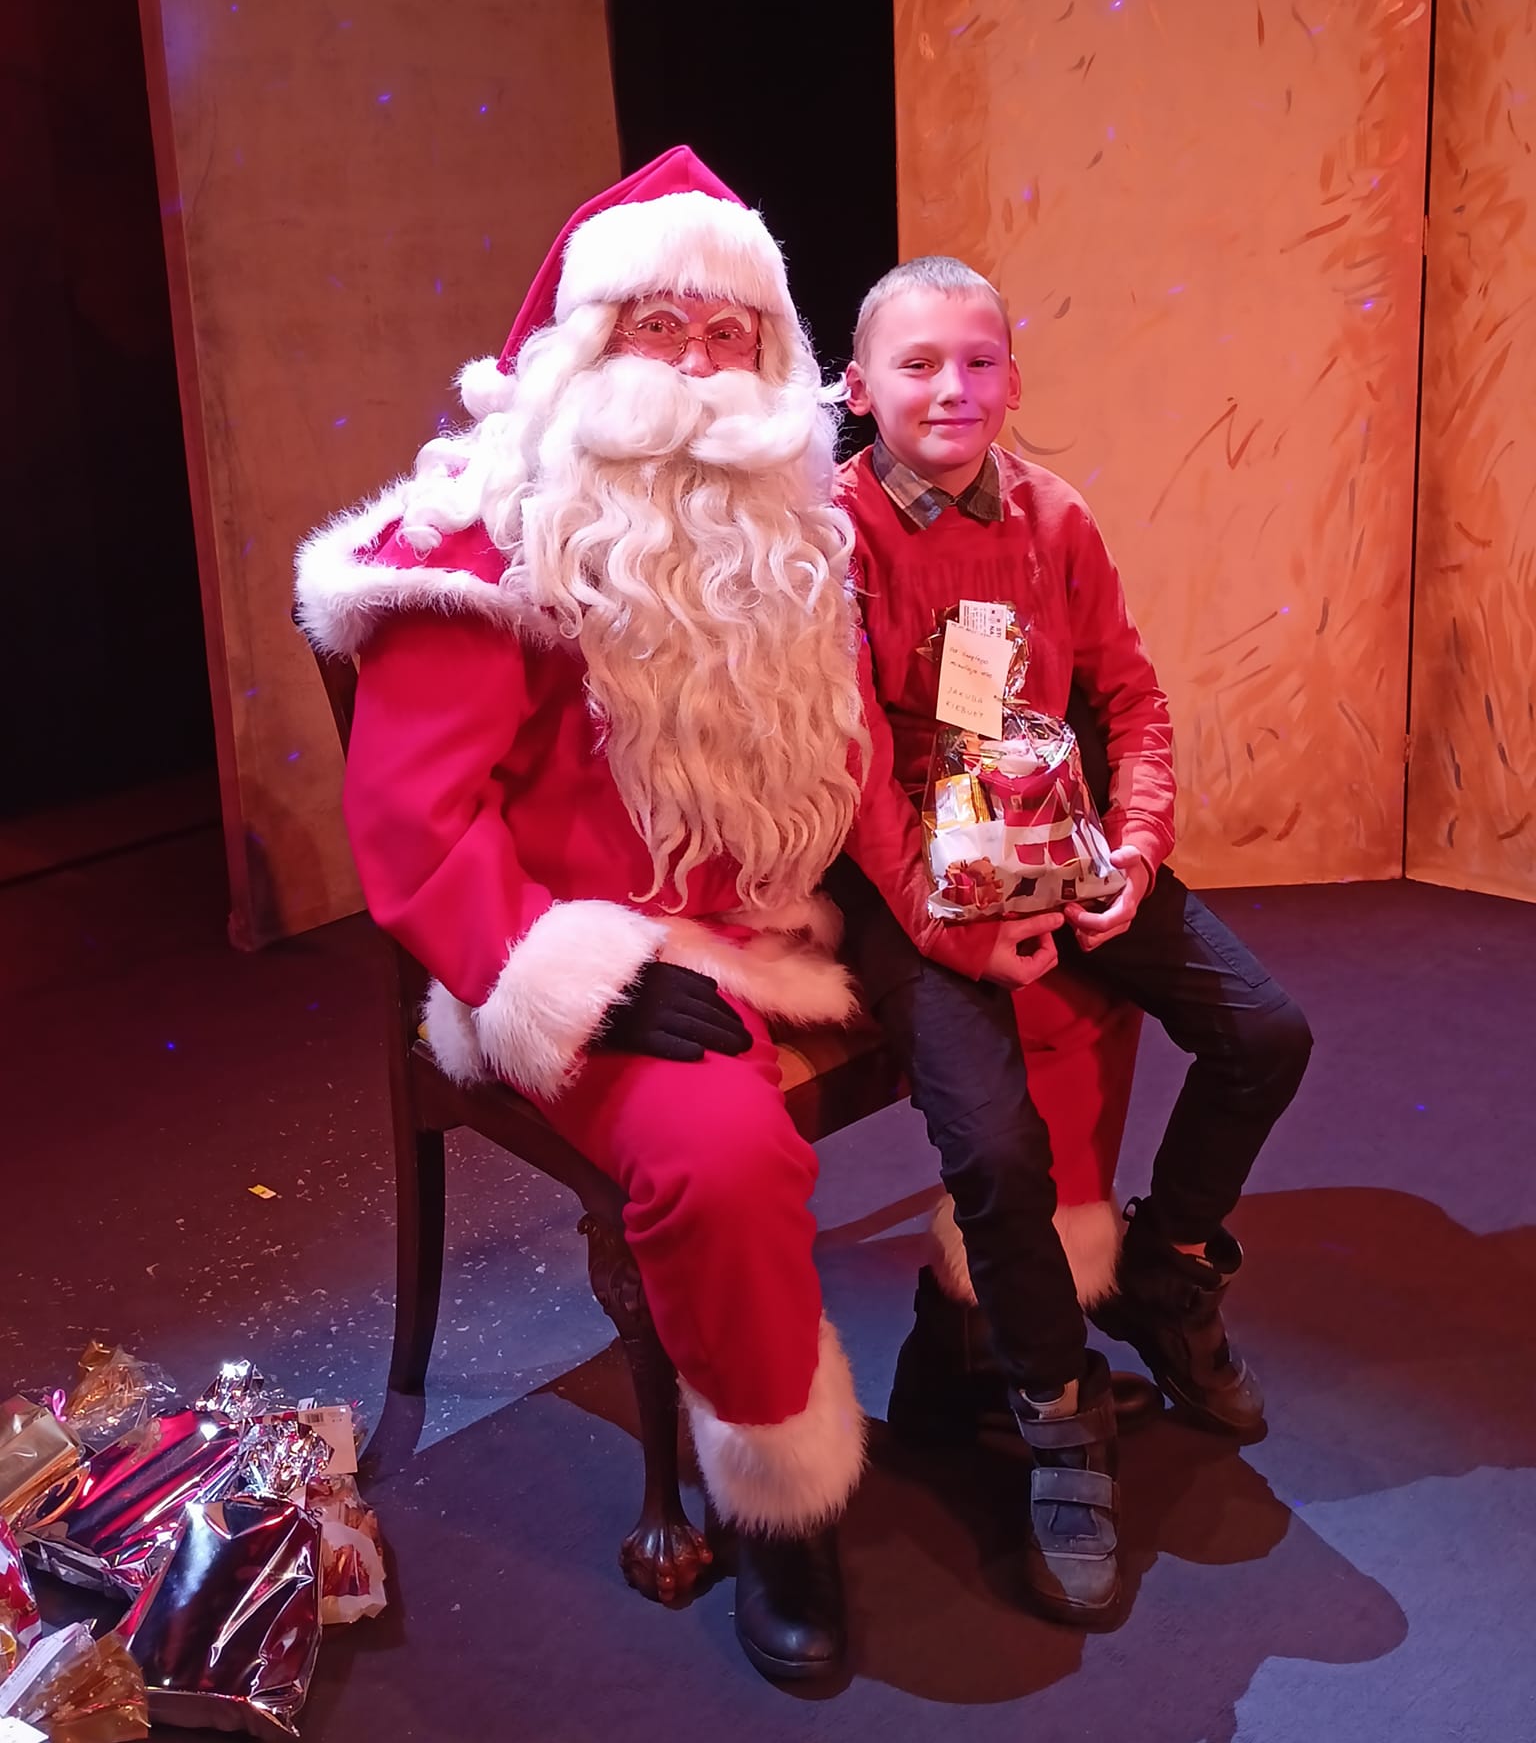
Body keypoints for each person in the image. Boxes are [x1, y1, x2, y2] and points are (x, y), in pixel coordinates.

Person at [294, 154, 1048, 1684]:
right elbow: (417, 825)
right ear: (585, 344)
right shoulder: (481, 541)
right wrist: (571, 972)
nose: (699, 369)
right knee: (721, 1156)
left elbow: (857, 747)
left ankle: (998, 1351)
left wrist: (979, 865)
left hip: (781, 907)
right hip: (576, 941)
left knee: (1048, 994)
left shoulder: (795, 527)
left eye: (729, 334)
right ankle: (777, 1499)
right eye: (660, 329)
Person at [832, 254, 1313, 1629]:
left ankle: (1168, 1272)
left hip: (1058, 838)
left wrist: (1133, 853)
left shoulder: (1055, 516)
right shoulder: (828, 538)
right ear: (858, 387)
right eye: (918, 363)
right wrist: (955, 936)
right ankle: (1057, 1414)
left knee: (1266, 1033)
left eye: (979, 361)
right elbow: (848, 768)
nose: (953, 387)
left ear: (1013, 378)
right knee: (996, 1149)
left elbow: (1133, 702)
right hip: (905, 879)